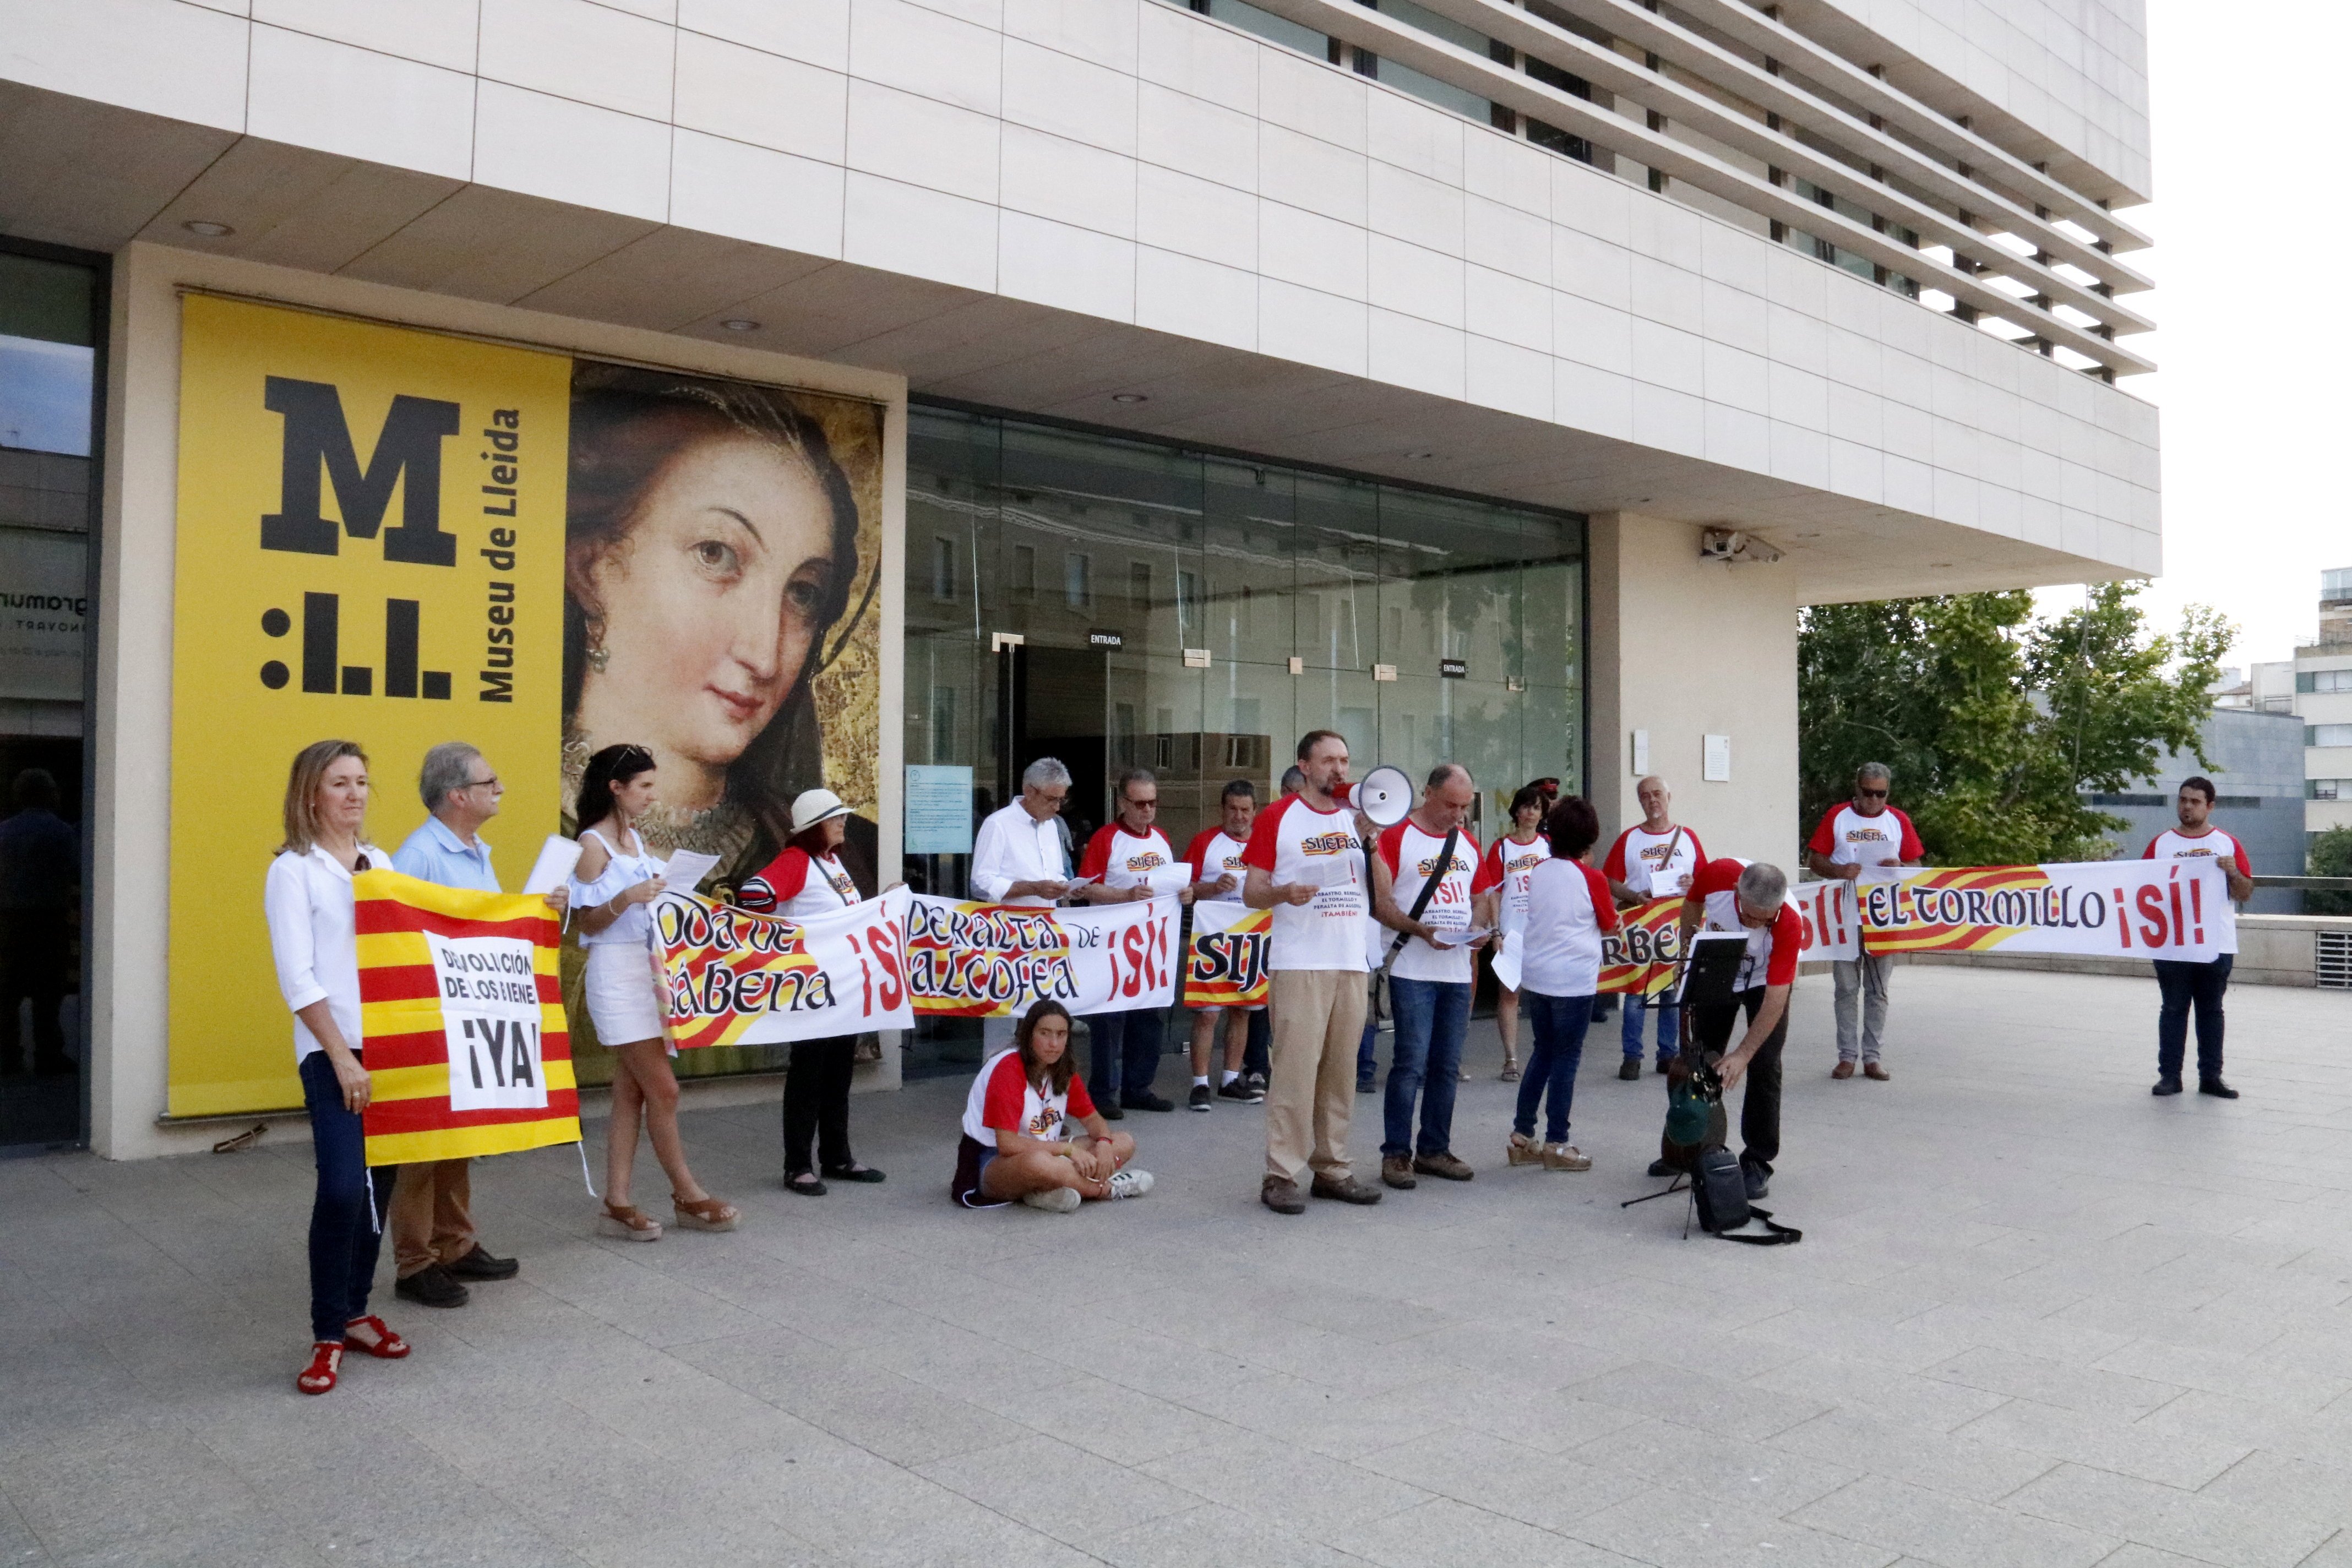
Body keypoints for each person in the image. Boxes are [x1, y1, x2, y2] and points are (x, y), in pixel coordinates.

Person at [563, 364, 877, 895]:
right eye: (716, 554)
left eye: (803, 593)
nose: (765, 656)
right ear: (591, 568)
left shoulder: (846, 849)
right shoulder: (521, 821)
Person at [385, 743, 558, 1310]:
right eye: (490, 781)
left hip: (469, 1015)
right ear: (458, 795)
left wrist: (533, 908)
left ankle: (455, 1243)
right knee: (422, 1143)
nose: (499, 788)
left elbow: (479, 929)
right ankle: (414, 1262)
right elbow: (401, 936)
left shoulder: (474, 850)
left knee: (459, 1135)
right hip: (433, 1017)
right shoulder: (419, 856)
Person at [264, 739, 408, 1395]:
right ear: (310, 794)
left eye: (361, 782)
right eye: (339, 782)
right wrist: (343, 1057)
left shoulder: (381, 863)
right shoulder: (292, 870)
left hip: (393, 1052)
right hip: (333, 1054)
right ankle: (327, 1330)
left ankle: (356, 1310)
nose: (354, 794)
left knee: (380, 1189)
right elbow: (298, 978)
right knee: (344, 1187)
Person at [572, 743, 739, 1240]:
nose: (651, 795)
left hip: (649, 973)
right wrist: (628, 897)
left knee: (632, 1093)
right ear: (615, 789)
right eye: (642, 786)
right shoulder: (591, 845)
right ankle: (686, 1191)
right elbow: (586, 922)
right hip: (617, 974)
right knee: (663, 1088)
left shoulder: (635, 841)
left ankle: (617, 1202)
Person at [1242, 730, 1384, 1213]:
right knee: (1296, 1074)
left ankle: (1333, 1168)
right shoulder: (1277, 818)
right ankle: (1282, 1173)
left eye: (1345, 760)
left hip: (1349, 958)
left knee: (1341, 1072)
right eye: (1329, 761)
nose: (1340, 771)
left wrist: (1374, 844)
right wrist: (1285, 893)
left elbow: (1380, 892)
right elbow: (1252, 892)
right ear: (1304, 765)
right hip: (1301, 959)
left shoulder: (1356, 818)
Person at [739, 787, 890, 1191]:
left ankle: (837, 1157)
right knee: (808, 1075)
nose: (843, 822)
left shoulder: (830, 862)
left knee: (838, 1075)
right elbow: (754, 894)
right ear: (815, 827)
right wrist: (787, 942)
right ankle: (798, 1165)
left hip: (842, 988)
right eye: (835, 818)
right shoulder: (797, 861)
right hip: (813, 988)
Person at [1367, 764, 1496, 1189]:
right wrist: (1423, 931)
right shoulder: (1396, 836)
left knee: (1446, 1064)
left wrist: (1477, 930)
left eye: (1465, 806)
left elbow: (1481, 895)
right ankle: (1396, 1154)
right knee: (1410, 1062)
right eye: (1450, 805)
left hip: (1456, 969)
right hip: (1411, 967)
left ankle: (1435, 1149)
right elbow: (1380, 903)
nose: (1458, 815)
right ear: (1427, 794)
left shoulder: (1467, 842)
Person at [1667, 859, 1803, 1199]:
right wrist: (1686, 951)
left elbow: (1776, 998)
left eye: (1765, 919)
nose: (1757, 923)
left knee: (1765, 1063)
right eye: (1750, 915)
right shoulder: (1717, 874)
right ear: (1735, 895)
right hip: (1721, 962)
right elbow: (1692, 902)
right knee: (1702, 1057)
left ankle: (1757, 1160)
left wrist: (1743, 1054)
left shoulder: (1788, 920)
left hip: (1762, 978)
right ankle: (1694, 1147)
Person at [1504, 796, 1618, 1172]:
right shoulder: (1592, 877)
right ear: (1589, 838)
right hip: (1574, 980)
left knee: (1542, 1052)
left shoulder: (1539, 871)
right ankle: (1558, 1140)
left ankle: (1522, 1135)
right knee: (1567, 1059)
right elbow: (1608, 921)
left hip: (1538, 975)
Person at [952, 1000, 1152, 1211]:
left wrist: (1103, 1143)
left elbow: (1093, 1119)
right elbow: (1008, 1145)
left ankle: (1045, 1190)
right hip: (992, 1162)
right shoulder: (1008, 1069)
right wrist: (1067, 1150)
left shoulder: (1062, 1068)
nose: (1054, 1044)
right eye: (1045, 1033)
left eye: (1061, 1034)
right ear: (1029, 1035)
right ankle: (1105, 1190)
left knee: (1123, 1142)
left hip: (1046, 1151)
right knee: (1039, 1163)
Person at [1075, 769, 1190, 1114]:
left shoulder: (1161, 838)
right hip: (1112, 944)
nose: (1147, 810)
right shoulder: (1107, 838)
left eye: (1152, 803)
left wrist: (1185, 893)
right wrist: (1125, 895)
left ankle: (1138, 1087)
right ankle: (1104, 1093)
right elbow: (1084, 887)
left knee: (1149, 1017)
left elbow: (1171, 883)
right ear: (1123, 802)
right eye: (1139, 803)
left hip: (1152, 946)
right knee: (1110, 1020)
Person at [1804, 763, 1923, 1081]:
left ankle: (1873, 1057)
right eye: (1867, 792)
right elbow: (1814, 860)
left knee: (1879, 990)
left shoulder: (1898, 820)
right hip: (1844, 916)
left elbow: (1916, 865)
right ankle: (1847, 1056)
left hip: (1883, 919)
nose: (1873, 800)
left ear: (1888, 793)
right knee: (1845, 988)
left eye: (1880, 794)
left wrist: (1899, 865)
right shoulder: (1838, 816)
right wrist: (1839, 871)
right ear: (1856, 789)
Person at [2143, 776, 2255, 1098]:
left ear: (2210, 806)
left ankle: (2211, 1077)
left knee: (2211, 1011)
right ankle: (2170, 1077)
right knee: (2174, 1010)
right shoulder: (2161, 844)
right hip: (2173, 943)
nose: (2187, 806)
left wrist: (2233, 872)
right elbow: (2142, 890)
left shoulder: (2227, 844)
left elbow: (2245, 893)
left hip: (2215, 943)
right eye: (2183, 800)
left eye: (2194, 801)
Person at [970, 757, 1081, 1050]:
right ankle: (997, 1087)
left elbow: (1053, 873)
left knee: (1043, 1014)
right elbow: (980, 883)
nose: (1057, 807)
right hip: (1007, 937)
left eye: (1061, 800)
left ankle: (1037, 1086)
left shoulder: (1051, 827)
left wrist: (1066, 888)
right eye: (1051, 799)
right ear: (1030, 791)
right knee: (1003, 1016)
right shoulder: (999, 825)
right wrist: (1033, 888)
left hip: (1045, 935)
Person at [1602, 776, 1707, 1080]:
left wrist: (1694, 883)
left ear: (1669, 797)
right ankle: (1632, 1057)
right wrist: (1634, 896)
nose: (1652, 801)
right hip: (1641, 928)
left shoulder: (1688, 838)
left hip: (1676, 927)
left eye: (1657, 794)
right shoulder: (1630, 839)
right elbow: (1609, 880)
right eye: (1645, 796)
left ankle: (1668, 1054)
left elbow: (1705, 879)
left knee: (1672, 993)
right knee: (1636, 993)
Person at [1181, 780, 1269, 1108]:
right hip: (1213, 937)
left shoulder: (1265, 842)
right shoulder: (1205, 841)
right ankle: (1200, 1084)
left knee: (1243, 1012)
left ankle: (1230, 1079)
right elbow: (1185, 890)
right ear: (1223, 809)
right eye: (1232, 809)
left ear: (1254, 811)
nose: (1239, 816)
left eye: (1245, 810)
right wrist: (1213, 886)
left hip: (1253, 936)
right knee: (1207, 1014)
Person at [0, 768, 75, 1078]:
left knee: (6, 992)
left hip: (8, 919)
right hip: (49, 918)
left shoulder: (4, 831)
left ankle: (8, 1055)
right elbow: (75, 871)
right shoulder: (62, 832)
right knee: (48, 992)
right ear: (50, 794)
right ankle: (49, 1054)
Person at [1480, 784, 1551, 1082]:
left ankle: (1547, 1054)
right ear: (1516, 811)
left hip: (1544, 931)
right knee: (1510, 995)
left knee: (1549, 996)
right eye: (1526, 807)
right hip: (1512, 932)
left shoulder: (1549, 845)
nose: (1531, 813)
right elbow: (1491, 893)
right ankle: (1511, 1058)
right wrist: (1496, 931)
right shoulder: (1502, 847)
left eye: (1537, 807)